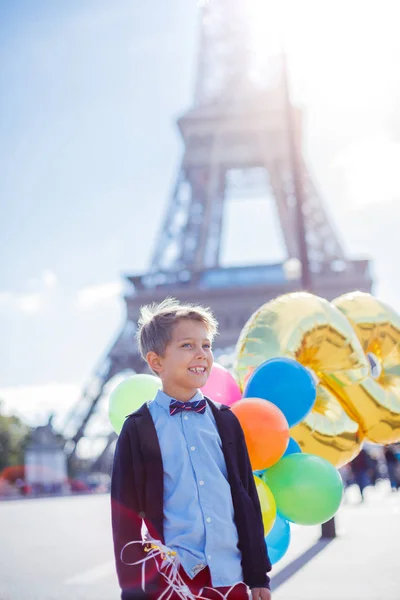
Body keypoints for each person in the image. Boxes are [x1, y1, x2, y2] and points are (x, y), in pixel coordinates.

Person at [111, 298, 272, 600]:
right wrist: (133, 591)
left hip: (232, 577)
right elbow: (125, 519)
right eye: (187, 345)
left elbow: (247, 498)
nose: (202, 354)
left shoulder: (226, 422)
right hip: (173, 581)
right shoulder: (138, 429)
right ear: (156, 361)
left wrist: (258, 576)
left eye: (207, 345)